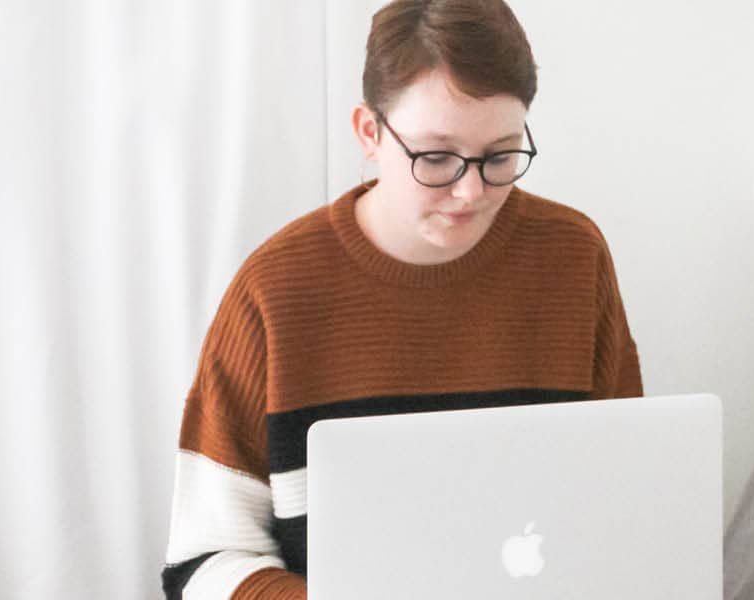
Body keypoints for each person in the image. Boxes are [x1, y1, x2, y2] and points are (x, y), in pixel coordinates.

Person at [159, 1, 642, 597]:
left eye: (499, 155)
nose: (470, 191)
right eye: (436, 157)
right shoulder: (276, 290)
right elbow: (203, 561)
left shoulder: (573, 256)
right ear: (369, 132)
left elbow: (622, 496)